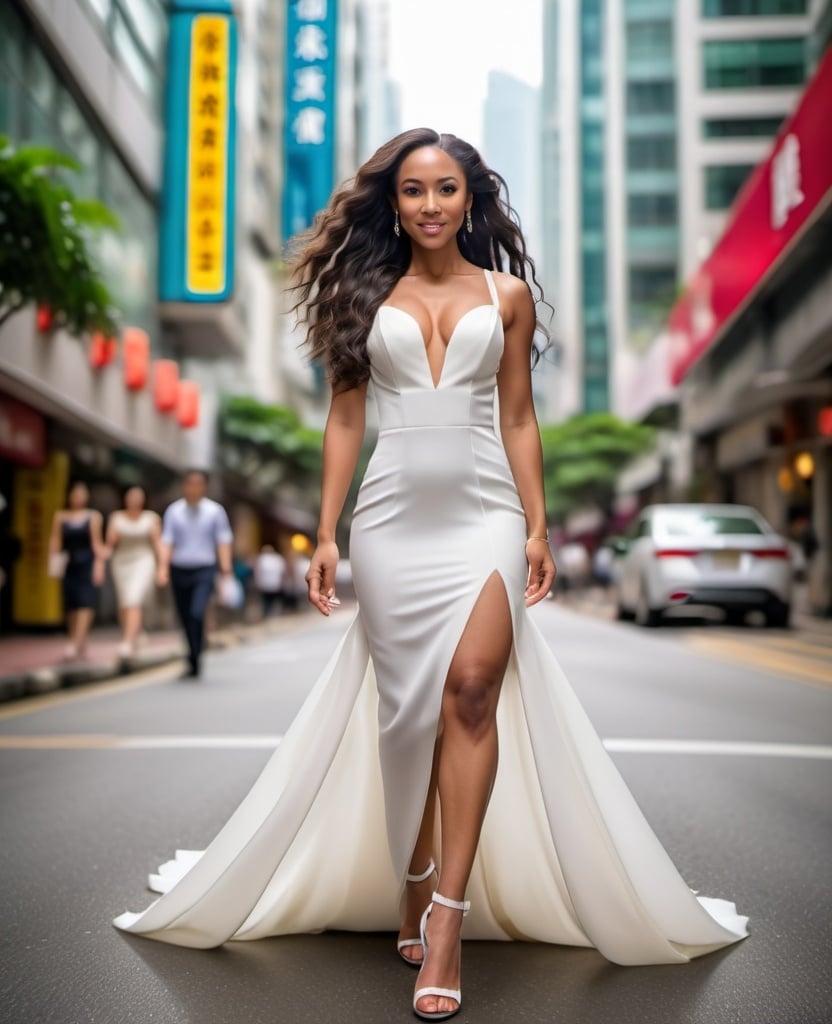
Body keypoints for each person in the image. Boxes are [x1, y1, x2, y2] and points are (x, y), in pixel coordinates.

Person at [114, 131, 747, 1019]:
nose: (430, 205)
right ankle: (411, 870)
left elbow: (520, 418)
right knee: (406, 711)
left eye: (446, 189)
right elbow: (344, 421)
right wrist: (326, 533)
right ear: (394, 203)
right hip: (389, 519)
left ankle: (446, 915)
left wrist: (537, 525)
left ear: (471, 198)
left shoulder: (509, 295)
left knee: (475, 690)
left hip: (485, 509)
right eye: (413, 191)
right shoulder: (363, 289)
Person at [156, 469, 233, 679]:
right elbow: (167, 540)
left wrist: (225, 566)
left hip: (205, 568)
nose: (194, 488)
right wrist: (163, 568)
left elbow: (223, 539)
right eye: (190, 483)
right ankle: (192, 656)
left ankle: (197, 653)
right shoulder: (174, 511)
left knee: (196, 612)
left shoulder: (215, 511)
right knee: (184, 615)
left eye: (198, 484)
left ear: (204, 487)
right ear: (184, 486)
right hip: (179, 568)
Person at [48, 481, 106, 660]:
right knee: (72, 604)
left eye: (82, 494)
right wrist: (52, 563)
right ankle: (75, 638)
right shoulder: (61, 516)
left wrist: (99, 565)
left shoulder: (93, 516)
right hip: (69, 564)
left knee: (85, 603)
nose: (79, 497)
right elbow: (55, 541)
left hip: (86, 563)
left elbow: (96, 544)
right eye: (76, 494)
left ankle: (77, 642)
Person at [106, 486, 163, 657]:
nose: (134, 500)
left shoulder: (151, 518)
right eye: (131, 497)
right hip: (121, 561)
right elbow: (110, 544)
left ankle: (127, 641)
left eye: (138, 497)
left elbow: (158, 543)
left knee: (133, 598)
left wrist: (163, 567)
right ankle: (136, 633)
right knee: (124, 602)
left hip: (143, 560)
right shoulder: (116, 517)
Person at [253, 544, 286, 618]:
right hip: (265, 584)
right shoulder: (261, 559)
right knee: (266, 600)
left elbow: (282, 572)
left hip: (274, 583)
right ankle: (267, 614)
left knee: (272, 600)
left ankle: (270, 613)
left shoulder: (277, 559)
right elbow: (256, 571)